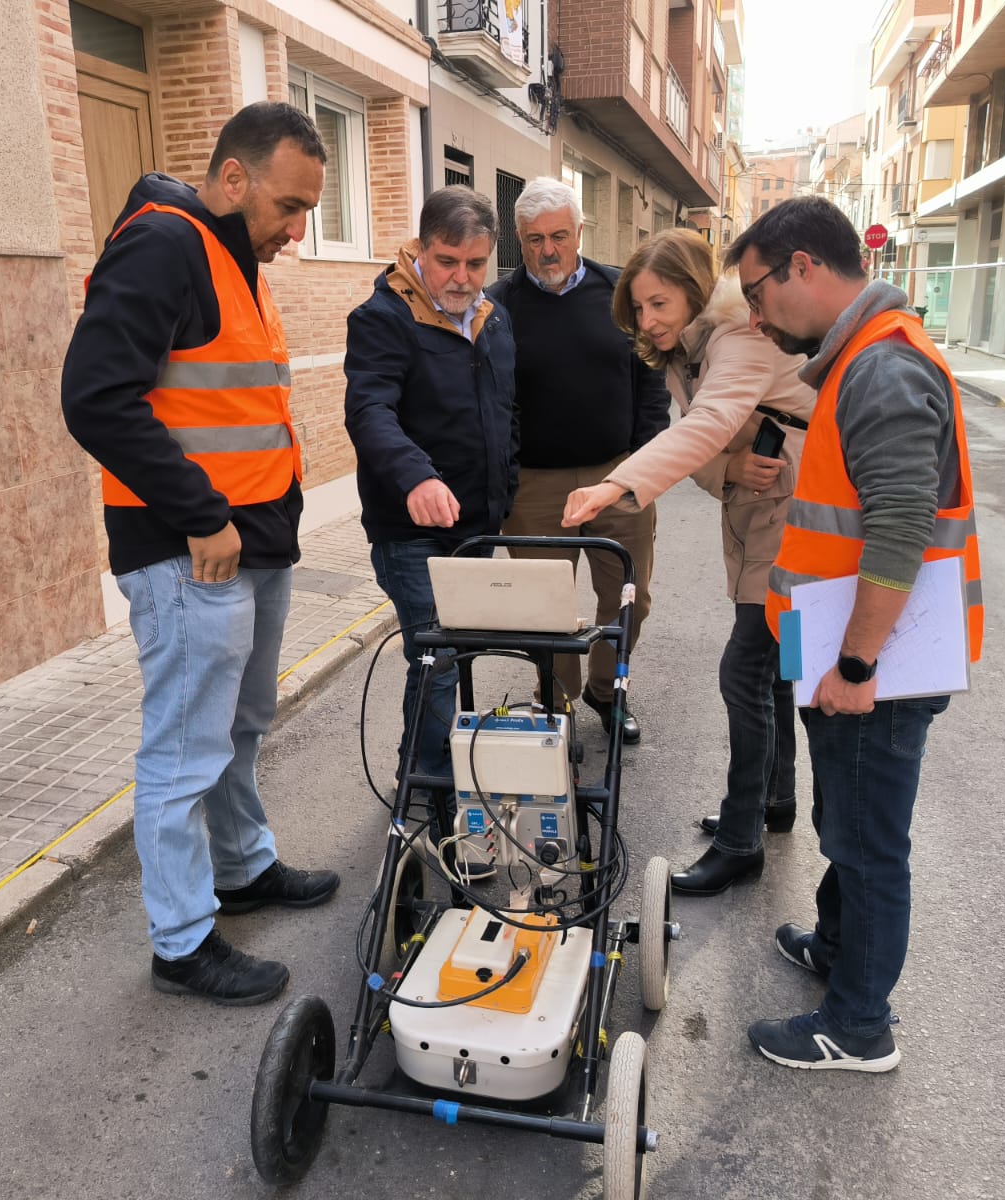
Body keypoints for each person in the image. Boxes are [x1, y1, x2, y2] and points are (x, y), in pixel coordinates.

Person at [62, 102, 341, 1007]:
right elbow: (97, 398)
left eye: (305, 214)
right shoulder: (165, 244)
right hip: (193, 551)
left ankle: (241, 866)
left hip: (251, 542)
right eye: (288, 208)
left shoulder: (230, 254)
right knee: (184, 749)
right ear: (233, 179)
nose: (295, 233)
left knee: (241, 725)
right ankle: (182, 941)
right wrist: (198, 513)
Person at [728, 195, 983, 1071]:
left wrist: (855, 663)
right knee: (845, 822)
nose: (756, 317)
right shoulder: (851, 363)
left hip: (867, 661)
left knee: (870, 846)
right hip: (827, 644)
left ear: (804, 265)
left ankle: (859, 1024)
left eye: (759, 293)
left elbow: (903, 521)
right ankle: (838, 949)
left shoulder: (881, 367)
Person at [562, 229, 813, 897]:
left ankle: (740, 842)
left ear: (696, 291)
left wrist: (617, 484)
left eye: (659, 303)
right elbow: (711, 447)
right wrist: (729, 466)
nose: (647, 321)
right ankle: (773, 802)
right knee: (775, 672)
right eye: (638, 309)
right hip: (759, 509)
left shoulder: (735, 339)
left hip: (794, 513)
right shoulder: (690, 353)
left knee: (746, 672)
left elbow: (700, 426)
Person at [343, 187, 518, 871]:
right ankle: (422, 795)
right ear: (419, 249)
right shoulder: (382, 318)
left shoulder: (492, 320)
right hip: (410, 530)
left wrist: (506, 493)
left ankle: (429, 770)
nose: (461, 278)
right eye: (447, 260)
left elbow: (504, 414)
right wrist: (415, 476)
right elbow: (369, 412)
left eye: (476, 263)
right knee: (437, 657)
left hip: (478, 526)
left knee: (449, 657)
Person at [486, 177, 670, 743]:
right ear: (518, 239)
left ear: (580, 232)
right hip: (536, 489)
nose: (548, 250)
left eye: (559, 236)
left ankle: (606, 688)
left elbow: (651, 380)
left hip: (619, 477)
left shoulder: (620, 295)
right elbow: (493, 398)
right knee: (545, 609)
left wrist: (643, 464)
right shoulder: (498, 305)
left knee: (628, 600)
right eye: (535, 238)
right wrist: (506, 479)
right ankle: (558, 701)